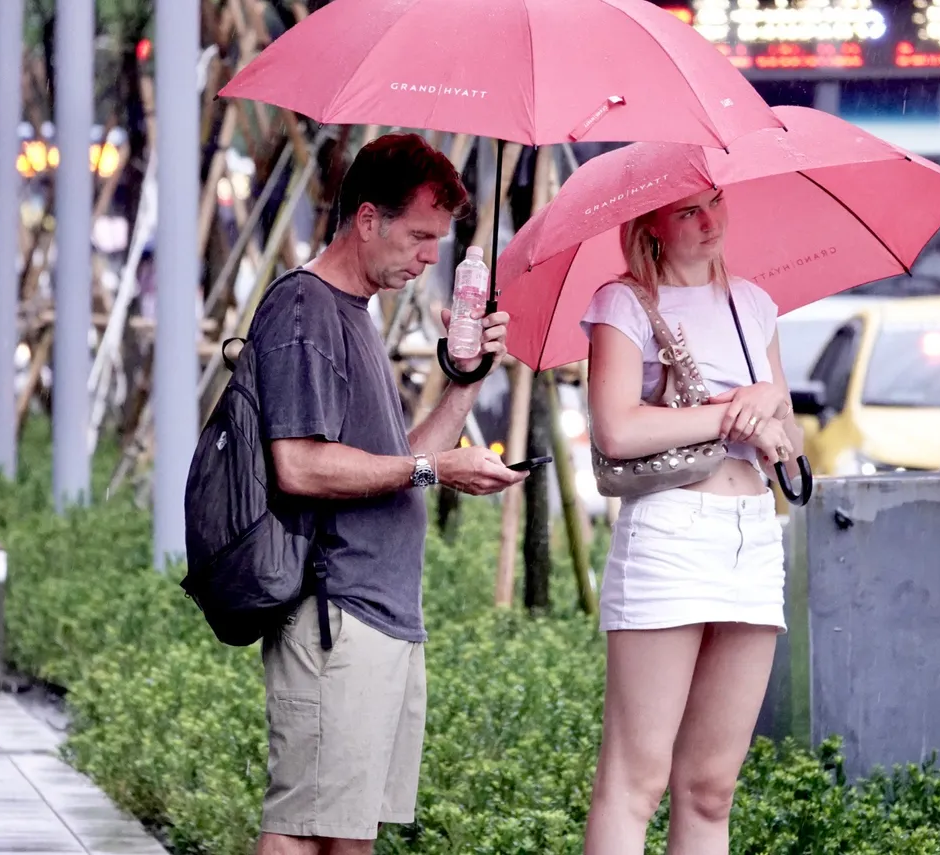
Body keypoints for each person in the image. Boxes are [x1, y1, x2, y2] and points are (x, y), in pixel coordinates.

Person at [249, 133, 527, 855]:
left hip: (380, 613)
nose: (430, 256)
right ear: (368, 219)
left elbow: (400, 458)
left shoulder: (353, 314)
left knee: (347, 832)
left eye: (441, 240)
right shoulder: (306, 311)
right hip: (335, 610)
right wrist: (437, 472)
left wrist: (467, 377)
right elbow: (302, 467)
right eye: (420, 235)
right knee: (302, 826)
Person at [578, 186, 804, 854]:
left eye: (713, 202)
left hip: (753, 534)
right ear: (651, 223)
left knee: (711, 788)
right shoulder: (623, 303)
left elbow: (786, 437)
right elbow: (615, 427)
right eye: (686, 211)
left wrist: (770, 415)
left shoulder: (753, 305)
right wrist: (738, 407)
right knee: (636, 781)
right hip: (670, 532)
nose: (709, 222)